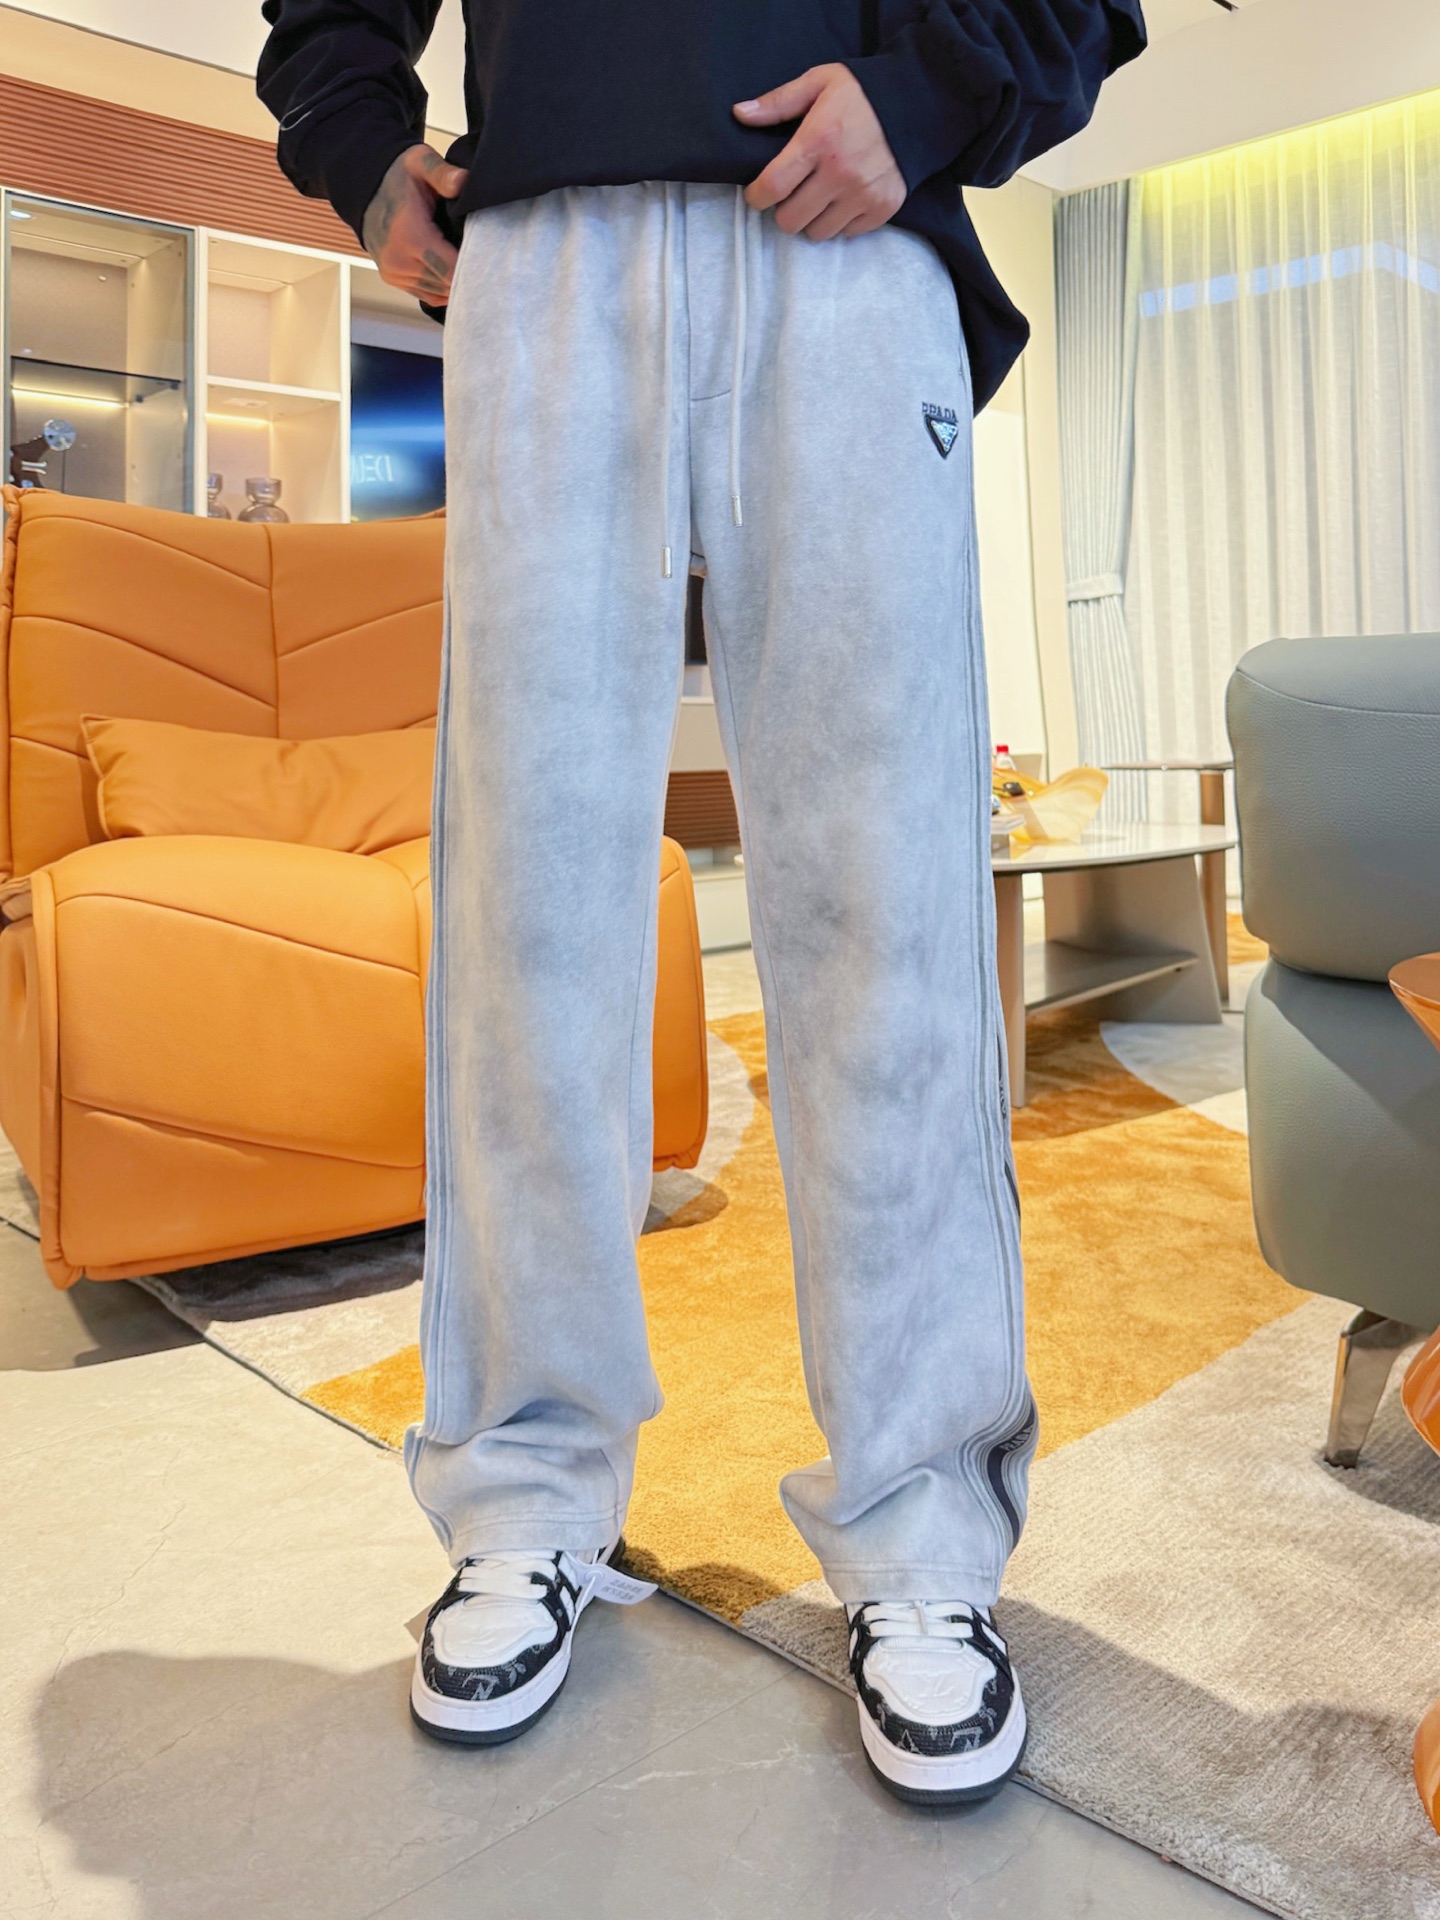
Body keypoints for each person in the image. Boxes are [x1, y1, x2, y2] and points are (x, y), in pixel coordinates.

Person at [258, 0, 1145, 1806]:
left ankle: (921, 1526)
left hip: (849, 222)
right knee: (527, 922)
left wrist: (936, 93)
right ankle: (524, 1495)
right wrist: (357, 145)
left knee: (888, 919)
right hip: (543, 247)